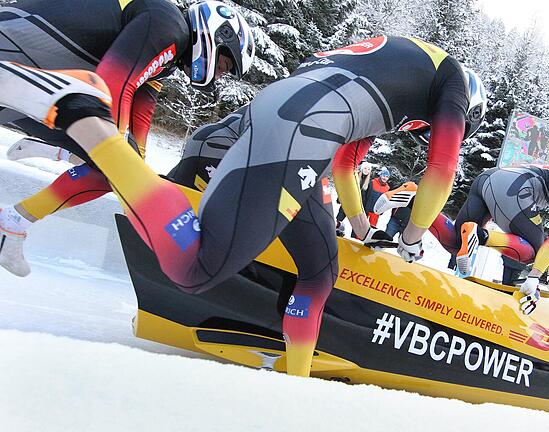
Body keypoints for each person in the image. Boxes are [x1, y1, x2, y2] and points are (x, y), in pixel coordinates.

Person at [0, 35, 487, 376]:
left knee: (320, 268)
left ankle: (293, 385)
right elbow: (441, 171)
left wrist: (360, 225)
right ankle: (79, 113)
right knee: (196, 266)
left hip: (280, 119)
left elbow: (344, 165)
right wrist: (410, 239)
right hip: (299, 129)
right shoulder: (454, 84)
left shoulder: (400, 62)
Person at [0, 0, 255, 277]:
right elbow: (114, 80)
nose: (218, 75)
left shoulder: (169, 56)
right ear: (218, 36)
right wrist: (129, 168)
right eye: (224, 64)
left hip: (29, 81)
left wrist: (138, 162)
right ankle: (46, 169)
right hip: (18, 54)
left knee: (112, 170)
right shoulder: (168, 24)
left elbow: (143, 106)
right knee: (115, 166)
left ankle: (13, 222)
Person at [378, 165, 549, 313]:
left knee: (453, 241)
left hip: (490, 179)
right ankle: (481, 236)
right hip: (517, 187)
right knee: (534, 251)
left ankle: (414, 196)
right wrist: (535, 274)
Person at [334, 161, 372, 237]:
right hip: (347, 203)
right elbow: (345, 188)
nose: (366, 170)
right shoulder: (354, 177)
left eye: (368, 169)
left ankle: (353, 238)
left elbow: (369, 197)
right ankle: (333, 232)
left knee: (357, 226)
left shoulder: (370, 183)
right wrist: (340, 198)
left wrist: (366, 211)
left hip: (358, 208)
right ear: (361, 169)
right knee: (338, 219)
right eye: (365, 168)